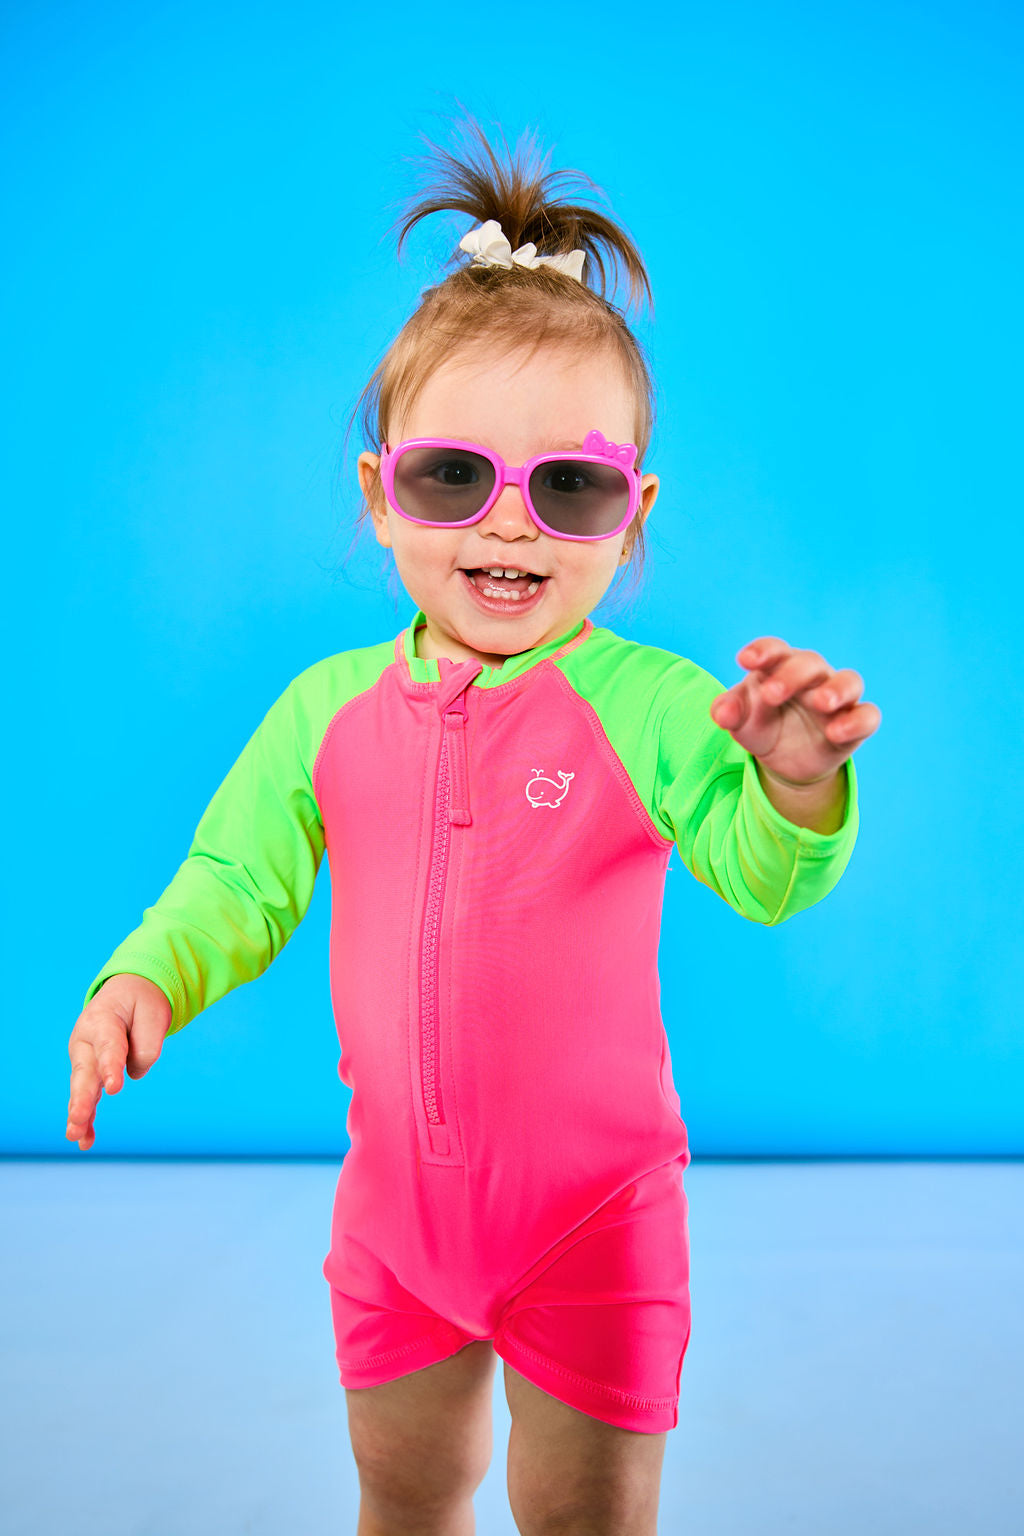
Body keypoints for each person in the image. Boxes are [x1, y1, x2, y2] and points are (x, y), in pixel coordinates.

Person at [65, 116, 881, 1536]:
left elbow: (762, 877)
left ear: (632, 523)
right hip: (394, 1229)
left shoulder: (656, 708)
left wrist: (797, 783)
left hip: (595, 1227)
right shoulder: (325, 710)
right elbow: (234, 878)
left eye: (570, 488)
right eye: (456, 477)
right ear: (381, 493)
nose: (509, 528)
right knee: (405, 1503)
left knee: (584, 1523)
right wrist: (145, 976)